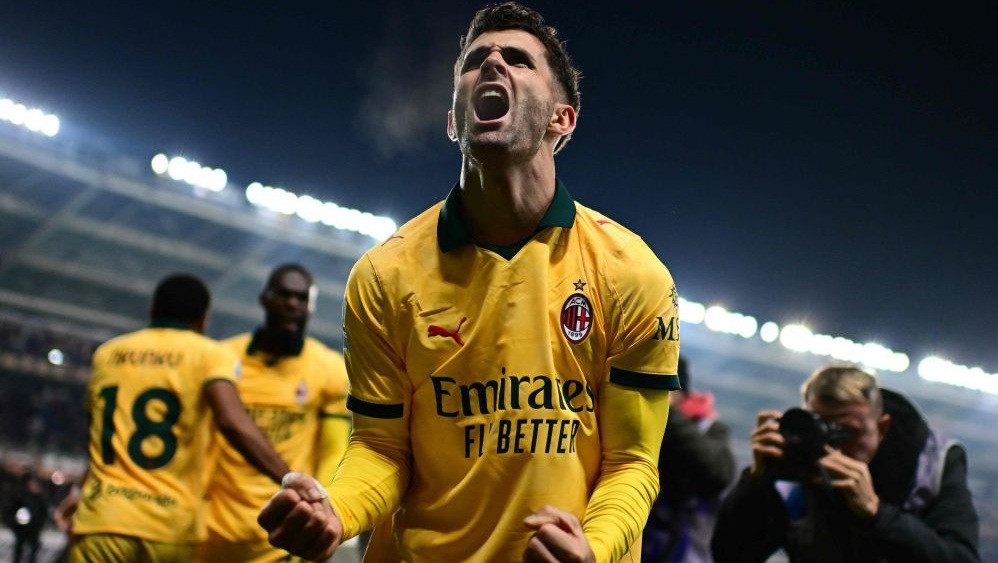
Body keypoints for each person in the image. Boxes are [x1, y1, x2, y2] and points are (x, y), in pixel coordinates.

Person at [258, 3, 681, 562]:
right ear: (454, 122)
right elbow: (380, 448)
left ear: (562, 119)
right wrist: (337, 511)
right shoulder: (384, 274)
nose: (494, 64)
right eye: (476, 60)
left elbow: (632, 463)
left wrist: (594, 549)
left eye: (518, 60)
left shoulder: (630, 271)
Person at [67, 273, 291, 562]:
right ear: (203, 319)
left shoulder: (108, 354)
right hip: (170, 527)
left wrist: (79, 491)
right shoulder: (211, 355)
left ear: (152, 311)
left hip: (104, 518)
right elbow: (231, 421)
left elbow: (98, 439)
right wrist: (289, 478)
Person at [711, 365, 980, 563]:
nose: (834, 449)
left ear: (882, 428)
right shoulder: (796, 462)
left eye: (849, 433)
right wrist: (757, 481)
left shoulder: (933, 462)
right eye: (824, 429)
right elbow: (731, 555)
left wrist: (878, 515)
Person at [196, 264, 350, 563]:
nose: (292, 303)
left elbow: (334, 451)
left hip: (283, 533)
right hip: (214, 529)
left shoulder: (329, 368)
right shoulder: (223, 357)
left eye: (301, 298)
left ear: (310, 307)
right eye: (284, 295)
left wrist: (317, 506)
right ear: (264, 298)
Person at [642, 357, 735, 562]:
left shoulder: (707, 427)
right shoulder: (637, 420)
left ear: (681, 393)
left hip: (684, 551)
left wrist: (665, 412)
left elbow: (719, 472)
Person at [3, 471, 48, 563]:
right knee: (19, 550)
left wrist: (39, 524)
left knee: (34, 548)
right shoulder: (19, 496)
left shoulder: (40, 497)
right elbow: (10, 510)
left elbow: (43, 512)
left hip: (34, 529)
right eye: (32, 482)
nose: (34, 485)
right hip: (21, 529)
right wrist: (14, 523)